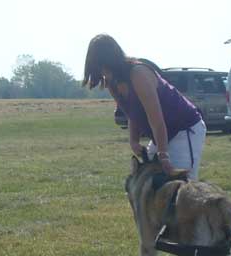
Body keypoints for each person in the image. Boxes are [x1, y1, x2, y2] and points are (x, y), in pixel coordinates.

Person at [83, 34, 206, 180]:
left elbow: (157, 120)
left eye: (102, 66)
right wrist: (133, 141)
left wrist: (163, 155)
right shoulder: (111, 83)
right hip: (162, 135)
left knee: (181, 185)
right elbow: (132, 114)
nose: (102, 72)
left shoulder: (138, 74)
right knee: (151, 181)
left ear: (110, 60)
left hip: (184, 128)